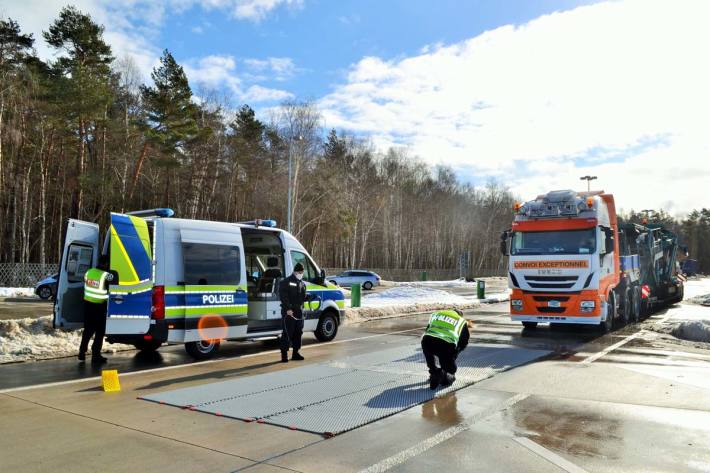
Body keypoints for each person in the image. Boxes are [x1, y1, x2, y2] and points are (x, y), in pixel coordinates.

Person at [421, 308, 471, 389]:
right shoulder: (461, 321)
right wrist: (453, 356)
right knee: (451, 372)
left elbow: (428, 331)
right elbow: (464, 342)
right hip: (446, 346)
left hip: (427, 342)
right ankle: (443, 374)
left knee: (427, 345)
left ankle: (433, 372)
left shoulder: (437, 314)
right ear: (460, 315)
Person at [79, 255, 114, 364]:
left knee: (88, 331)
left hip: (87, 305)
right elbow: (114, 280)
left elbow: (85, 281)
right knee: (99, 332)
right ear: (106, 264)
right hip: (99, 307)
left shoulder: (88, 272)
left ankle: (82, 352)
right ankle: (96, 355)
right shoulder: (106, 275)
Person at [278, 262, 312, 362]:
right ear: (295, 271)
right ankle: (284, 355)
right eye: (300, 271)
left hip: (299, 312)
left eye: (302, 272)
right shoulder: (286, 282)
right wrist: (288, 309)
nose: (301, 273)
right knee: (288, 333)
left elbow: (301, 297)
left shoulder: (302, 283)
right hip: (289, 312)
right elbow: (283, 297)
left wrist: (308, 297)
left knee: (298, 332)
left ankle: (295, 353)